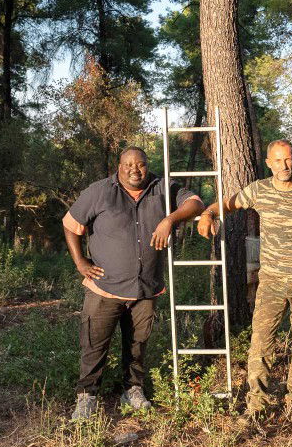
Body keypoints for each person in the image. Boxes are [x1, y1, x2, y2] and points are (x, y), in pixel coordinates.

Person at [196, 139, 292, 424]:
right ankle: (256, 405)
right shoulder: (258, 190)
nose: (284, 165)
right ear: (268, 163)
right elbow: (229, 204)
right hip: (270, 280)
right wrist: (208, 213)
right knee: (260, 342)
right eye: (278, 160)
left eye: (289, 159)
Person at [63, 147, 204, 420]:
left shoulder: (162, 187)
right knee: (94, 343)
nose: (134, 170)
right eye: (128, 165)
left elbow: (196, 203)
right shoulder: (99, 191)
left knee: (138, 344)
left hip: (145, 287)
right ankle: (87, 396)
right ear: (119, 166)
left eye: (140, 165)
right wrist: (80, 262)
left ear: (147, 165)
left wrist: (169, 219)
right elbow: (70, 224)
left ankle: (133, 391)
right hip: (105, 287)